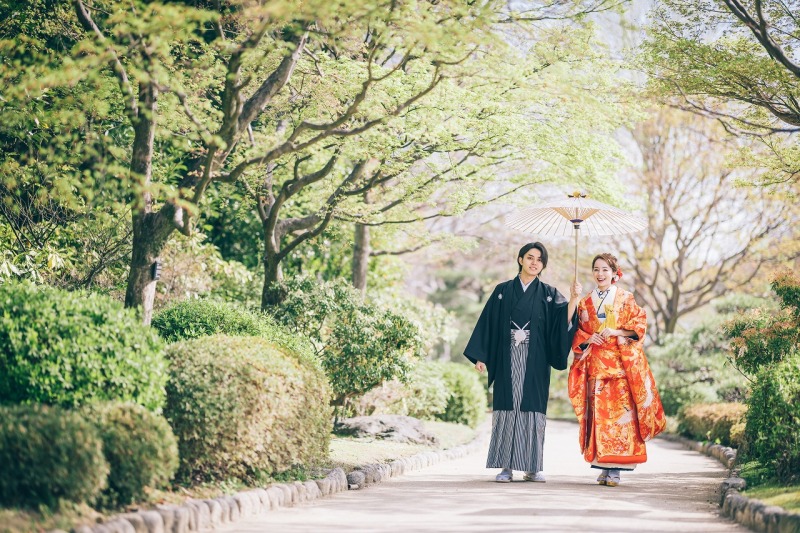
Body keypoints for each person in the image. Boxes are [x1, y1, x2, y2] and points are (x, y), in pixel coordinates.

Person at [464, 242, 580, 483]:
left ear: (543, 265)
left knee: (533, 410)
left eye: (539, 259)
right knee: (507, 408)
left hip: (535, 358)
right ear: (520, 259)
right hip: (507, 355)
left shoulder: (549, 294)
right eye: (530, 257)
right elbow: (488, 322)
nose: (534, 262)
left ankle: (532, 466)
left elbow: (562, 324)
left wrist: (574, 299)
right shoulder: (503, 290)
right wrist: (481, 356)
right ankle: (506, 466)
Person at [568, 253, 666, 487]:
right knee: (600, 419)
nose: (600, 274)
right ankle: (604, 465)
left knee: (620, 420)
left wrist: (617, 332)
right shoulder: (585, 302)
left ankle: (616, 470)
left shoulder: (625, 298)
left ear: (614, 273)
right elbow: (576, 331)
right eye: (596, 269)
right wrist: (589, 337)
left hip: (621, 368)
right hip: (596, 367)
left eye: (605, 269)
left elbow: (639, 325)